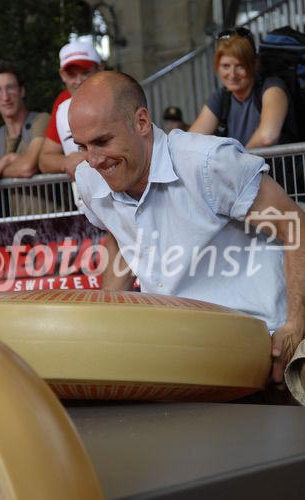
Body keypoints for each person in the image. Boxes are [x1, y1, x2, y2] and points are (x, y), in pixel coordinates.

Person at [68, 71, 305, 388]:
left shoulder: (207, 163)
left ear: (141, 122)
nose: (93, 160)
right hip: (175, 354)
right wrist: (107, 318)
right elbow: (119, 234)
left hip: (260, 347)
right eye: (82, 146)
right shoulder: (88, 179)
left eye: (102, 141)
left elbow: (295, 226)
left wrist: (295, 325)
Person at [189, 28, 291, 148]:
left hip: (278, 167)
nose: (232, 74)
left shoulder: (272, 88)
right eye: (225, 66)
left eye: (240, 66)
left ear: (255, 64)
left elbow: (267, 137)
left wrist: (237, 162)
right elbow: (190, 142)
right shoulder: (221, 97)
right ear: (217, 66)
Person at [0, 62, 49, 197]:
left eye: (10, 88)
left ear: (22, 91)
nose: (5, 97)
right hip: (12, 218)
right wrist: (6, 160)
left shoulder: (41, 120)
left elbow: (27, 168)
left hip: (53, 215)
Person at [39, 40, 102, 179]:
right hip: (84, 199)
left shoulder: (118, 94)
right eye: (72, 74)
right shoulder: (63, 102)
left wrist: (85, 157)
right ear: (62, 76)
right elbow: (44, 160)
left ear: (100, 69)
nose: (79, 80)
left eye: (85, 72)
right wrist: (66, 162)